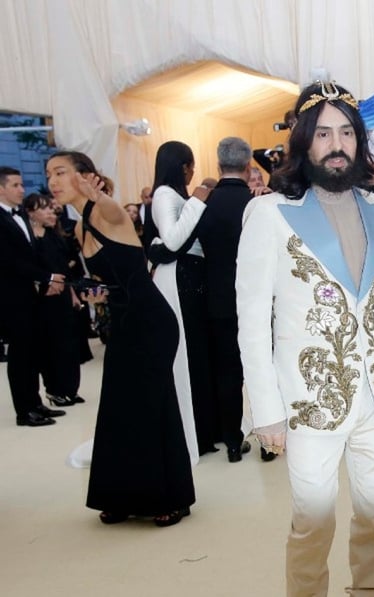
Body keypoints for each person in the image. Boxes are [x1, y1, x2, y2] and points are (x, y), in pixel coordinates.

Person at [236, 80, 374, 597]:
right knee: (312, 524)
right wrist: (264, 409)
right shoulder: (267, 214)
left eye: (347, 133)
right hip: (308, 400)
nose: (337, 144)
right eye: (323, 133)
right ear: (304, 142)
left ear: (359, 141)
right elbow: (249, 321)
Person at [47, 151, 194, 526]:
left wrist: (98, 194)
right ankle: (120, 495)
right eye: (49, 174)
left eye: (60, 172)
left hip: (151, 322)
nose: (52, 181)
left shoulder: (106, 211)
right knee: (117, 406)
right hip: (125, 321)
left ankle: (171, 497)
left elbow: (111, 209)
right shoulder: (80, 226)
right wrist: (101, 291)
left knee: (152, 405)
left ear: (85, 176)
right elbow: (117, 275)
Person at [192, 137, 257, 463]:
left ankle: (232, 441)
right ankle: (269, 440)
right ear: (248, 167)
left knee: (227, 373)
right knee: (263, 369)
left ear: (218, 167)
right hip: (256, 300)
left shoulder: (205, 204)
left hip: (217, 298)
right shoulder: (258, 203)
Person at [150, 140, 212, 462]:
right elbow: (172, 240)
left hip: (190, 277)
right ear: (180, 166)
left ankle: (203, 428)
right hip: (178, 280)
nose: (192, 171)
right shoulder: (164, 194)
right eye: (190, 165)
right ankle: (192, 432)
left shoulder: (174, 195)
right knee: (186, 356)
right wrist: (197, 203)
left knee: (198, 354)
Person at [0, 166, 66, 427]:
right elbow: (9, 261)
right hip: (11, 299)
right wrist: (47, 277)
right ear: (1, 188)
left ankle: (36, 403)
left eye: (21, 184)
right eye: (15, 185)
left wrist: (46, 276)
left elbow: (31, 254)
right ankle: (24, 411)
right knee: (20, 356)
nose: (22, 190)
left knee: (33, 352)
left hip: (30, 296)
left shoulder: (21, 217)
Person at [24, 193, 86, 407]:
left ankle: (70, 388)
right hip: (43, 300)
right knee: (50, 346)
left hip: (63, 297)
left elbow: (64, 270)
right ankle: (54, 390)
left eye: (51, 208)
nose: (51, 212)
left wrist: (72, 294)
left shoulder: (55, 236)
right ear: (31, 213)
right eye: (45, 208)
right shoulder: (29, 240)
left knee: (69, 343)